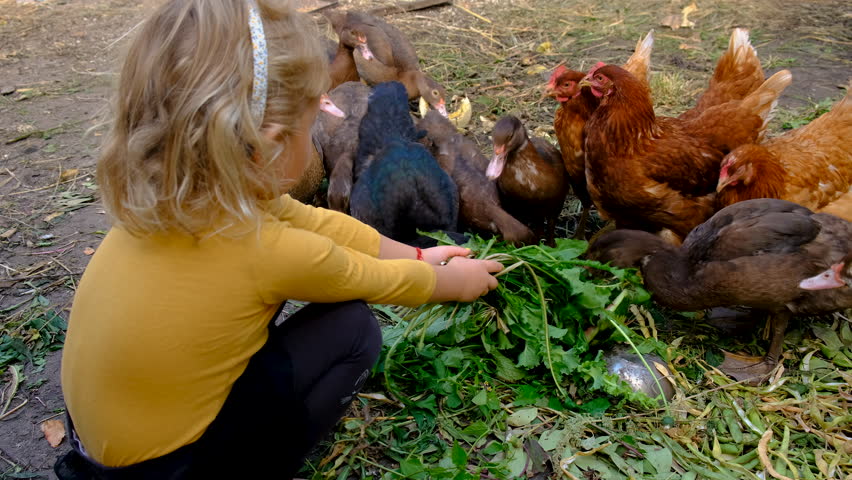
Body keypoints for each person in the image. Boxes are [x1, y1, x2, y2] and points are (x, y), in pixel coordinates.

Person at [54, 1, 502, 478]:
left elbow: (322, 223)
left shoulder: (186, 197)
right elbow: (369, 277)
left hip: (103, 437)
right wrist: (456, 282)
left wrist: (419, 253)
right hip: (162, 471)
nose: (314, 140)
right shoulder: (268, 250)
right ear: (267, 145)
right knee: (355, 331)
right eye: (310, 127)